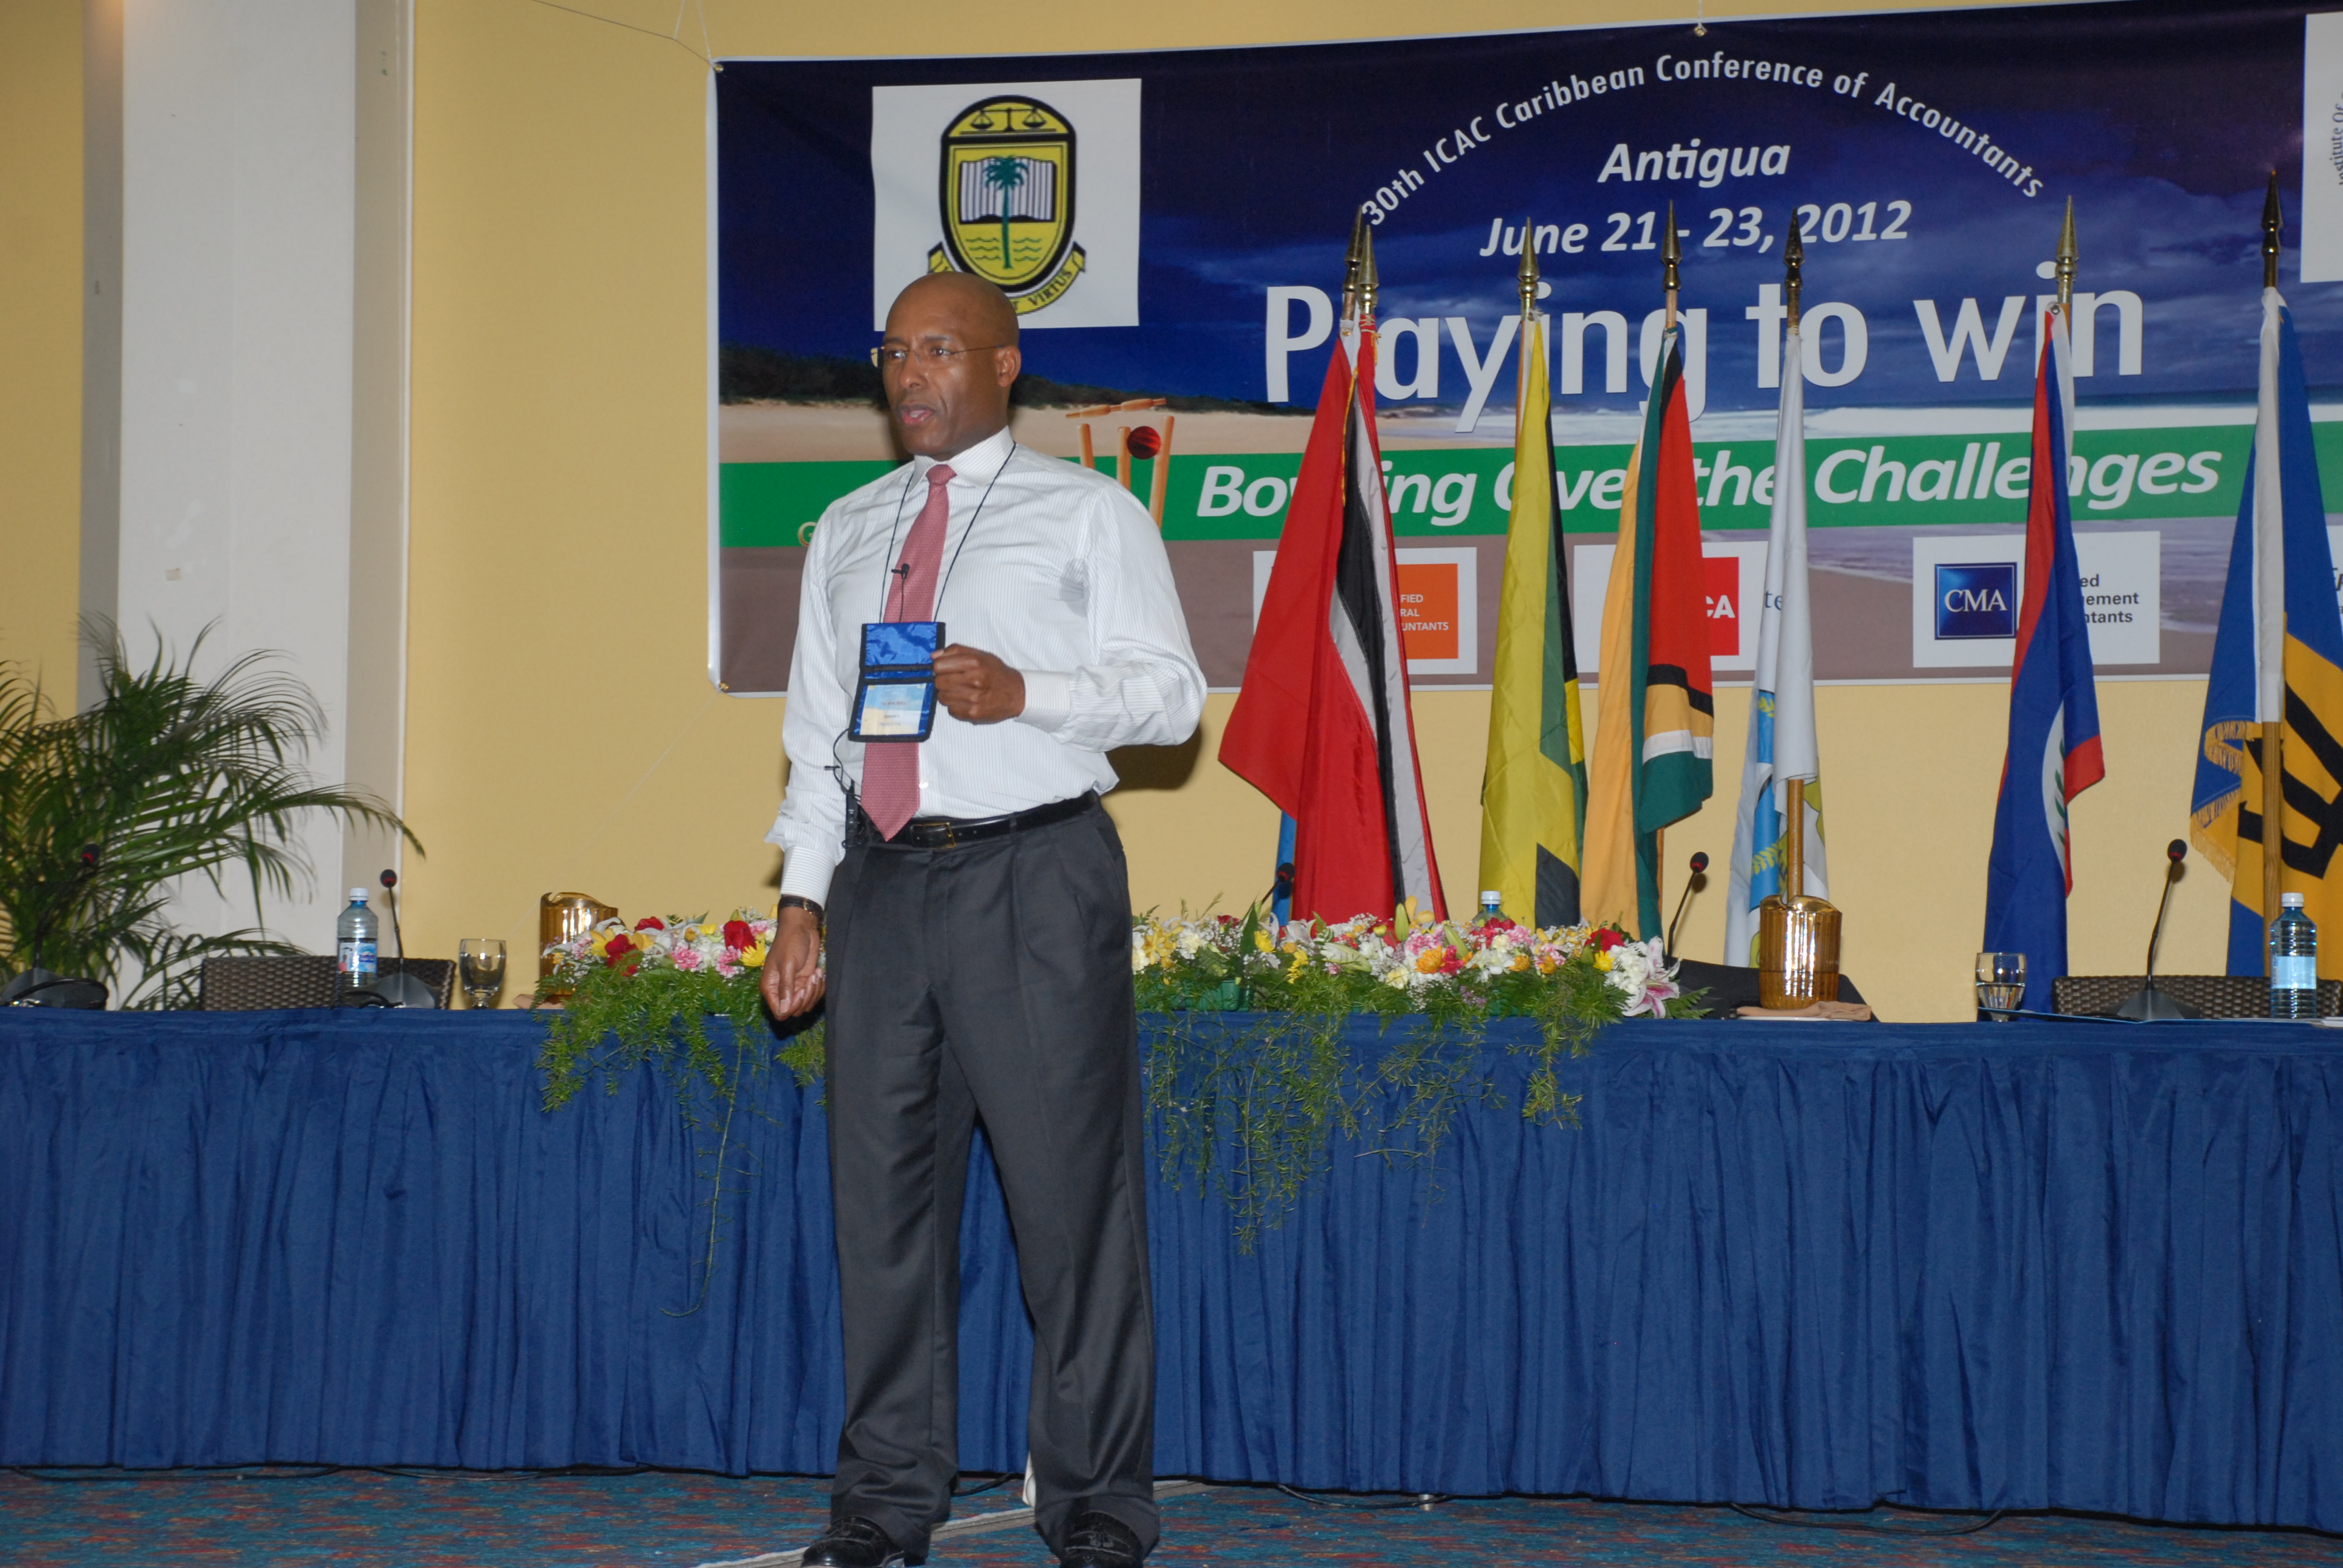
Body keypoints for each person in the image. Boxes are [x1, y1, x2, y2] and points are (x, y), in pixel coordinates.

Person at [761, 272, 1204, 1568]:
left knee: (1069, 1207)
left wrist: (1032, 694)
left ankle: (1098, 1502)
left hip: (1033, 876)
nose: (912, 374)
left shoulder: (1089, 512)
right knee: (883, 1209)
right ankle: (885, 1502)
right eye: (895, 351)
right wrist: (801, 896)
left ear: (1005, 366)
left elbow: (1172, 698)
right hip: (880, 884)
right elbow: (818, 736)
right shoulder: (849, 529)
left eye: (941, 350)